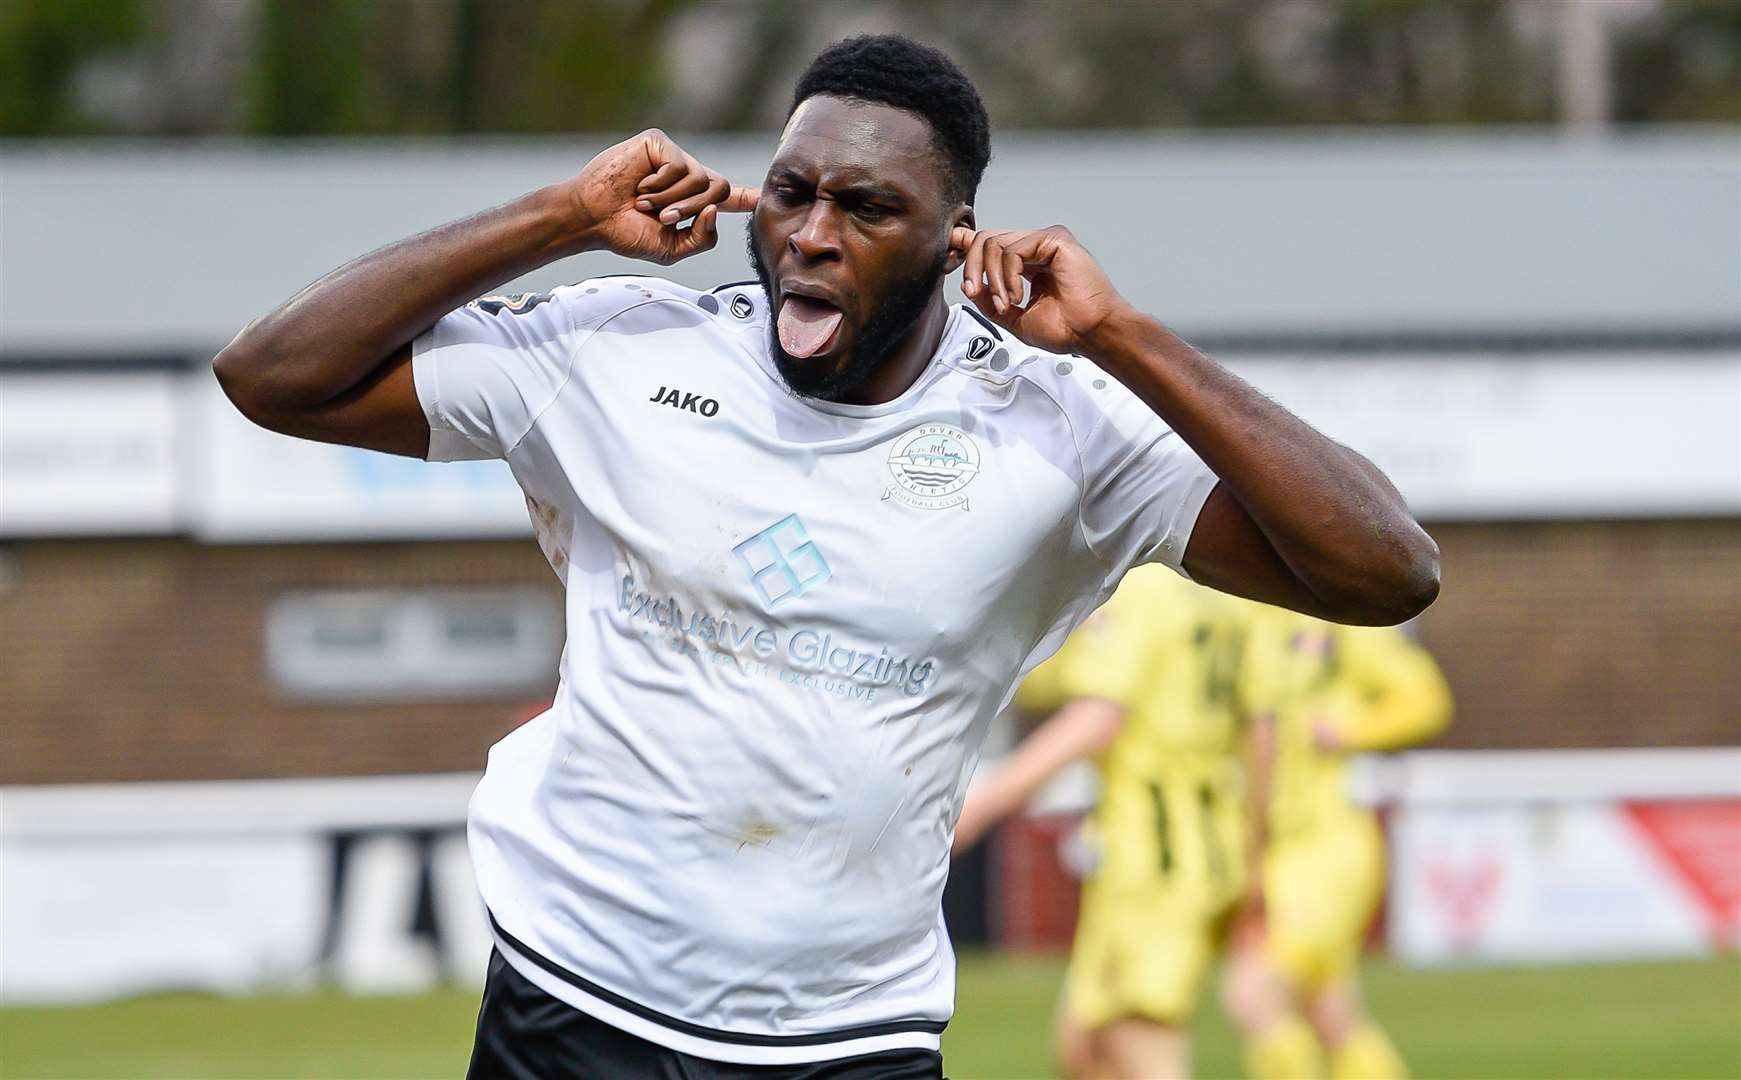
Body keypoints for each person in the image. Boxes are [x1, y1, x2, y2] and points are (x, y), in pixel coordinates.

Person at [213, 32, 1439, 1080]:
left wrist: (1120, 337)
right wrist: (561, 218)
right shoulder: (625, 349)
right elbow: (273, 376)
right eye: (792, 191)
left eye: (866, 207)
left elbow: (1384, 573)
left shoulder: (1058, 426)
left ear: (956, 236)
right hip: (572, 992)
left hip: (848, 1032)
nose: (810, 233)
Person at [952, 566, 1259, 1079]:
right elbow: (1261, 732)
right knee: (1086, 1048)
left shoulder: (1141, 592)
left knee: (1140, 1039)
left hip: (1158, 853)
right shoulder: (1228, 597)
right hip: (1199, 842)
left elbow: (1095, 719)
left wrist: (978, 808)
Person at [1222, 615, 1453, 1080]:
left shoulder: (1334, 616)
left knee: (1253, 996)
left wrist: (1350, 730)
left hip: (1323, 850)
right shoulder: (1232, 610)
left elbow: (1427, 698)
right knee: (1331, 1016)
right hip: (1276, 852)